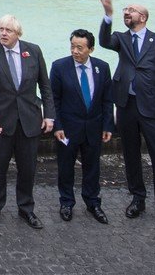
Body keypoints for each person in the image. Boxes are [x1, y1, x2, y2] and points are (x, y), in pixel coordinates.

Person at [97, 0, 155, 234]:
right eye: (124, 10)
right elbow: (102, 41)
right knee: (130, 155)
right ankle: (138, 198)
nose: (126, 12)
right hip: (126, 106)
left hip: (154, 109)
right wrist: (108, 15)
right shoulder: (120, 39)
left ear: (142, 17)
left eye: (130, 10)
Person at [0, 15, 55, 229]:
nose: (3, 33)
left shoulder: (34, 51)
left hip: (29, 120)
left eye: (8, 30)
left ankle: (26, 208)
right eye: (0, 29)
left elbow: (45, 86)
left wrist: (49, 115)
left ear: (18, 33)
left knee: (28, 168)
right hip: (1, 121)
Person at [50, 29, 114, 224]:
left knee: (93, 167)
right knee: (66, 167)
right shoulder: (60, 67)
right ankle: (67, 202)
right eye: (72, 46)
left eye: (80, 47)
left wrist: (107, 126)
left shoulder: (102, 68)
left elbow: (106, 100)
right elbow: (54, 100)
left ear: (91, 49)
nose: (75, 51)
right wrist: (57, 126)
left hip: (93, 127)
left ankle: (93, 201)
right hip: (68, 128)